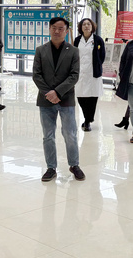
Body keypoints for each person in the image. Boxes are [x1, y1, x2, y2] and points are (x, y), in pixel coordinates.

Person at [33, 17, 85, 182]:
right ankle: (51, 167)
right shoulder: (40, 50)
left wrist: (57, 92)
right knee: (48, 135)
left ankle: (74, 165)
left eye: (61, 28)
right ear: (49, 29)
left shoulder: (73, 51)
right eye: (54, 28)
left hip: (66, 98)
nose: (57, 31)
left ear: (66, 31)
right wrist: (49, 93)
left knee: (70, 134)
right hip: (45, 99)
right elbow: (36, 75)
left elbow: (74, 75)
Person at [73, 18, 105, 132]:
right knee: (80, 96)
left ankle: (87, 121)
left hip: (93, 73)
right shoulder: (77, 40)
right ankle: (88, 117)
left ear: (92, 27)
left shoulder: (98, 40)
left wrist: (97, 65)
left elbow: (102, 56)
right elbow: (74, 55)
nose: (86, 26)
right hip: (80, 72)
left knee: (92, 97)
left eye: (88, 24)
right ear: (81, 27)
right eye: (84, 24)